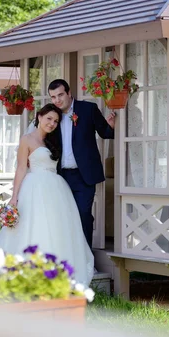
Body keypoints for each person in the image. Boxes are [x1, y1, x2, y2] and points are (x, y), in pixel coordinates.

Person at [0, 104, 94, 286]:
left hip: (56, 189)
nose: (52, 123)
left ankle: (56, 271)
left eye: (55, 121)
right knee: (34, 225)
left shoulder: (54, 141)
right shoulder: (27, 140)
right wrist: (14, 196)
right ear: (39, 117)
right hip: (34, 188)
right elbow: (21, 168)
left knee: (56, 228)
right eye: (49, 119)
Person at [26, 79, 115, 249]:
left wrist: (111, 126)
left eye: (60, 95)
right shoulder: (52, 117)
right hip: (59, 176)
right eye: (53, 97)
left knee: (83, 215)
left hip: (84, 176)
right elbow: (39, 138)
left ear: (69, 93)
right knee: (62, 217)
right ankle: (66, 256)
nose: (57, 100)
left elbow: (105, 132)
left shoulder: (88, 109)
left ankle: (87, 258)